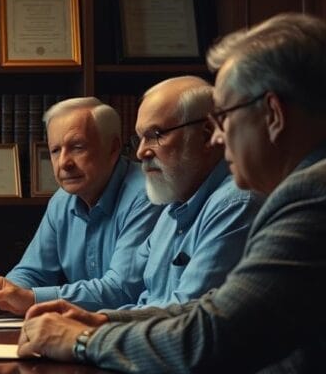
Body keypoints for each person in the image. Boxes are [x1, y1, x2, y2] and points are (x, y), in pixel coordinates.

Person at [18, 13, 326, 374]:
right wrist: (101, 320)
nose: (218, 136)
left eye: (223, 117)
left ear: (272, 113)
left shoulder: (316, 197)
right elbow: (210, 310)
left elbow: (214, 339)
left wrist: (82, 340)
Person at [53, 76, 261, 310]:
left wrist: (89, 328)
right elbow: (141, 301)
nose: (141, 152)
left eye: (155, 135)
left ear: (207, 134)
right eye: (139, 138)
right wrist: (88, 323)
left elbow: (186, 320)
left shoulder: (235, 204)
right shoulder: (171, 211)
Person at [0, 97, 161, 317]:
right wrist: (1, 293)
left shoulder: (147, 195)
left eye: (77, 147)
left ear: (113, 149)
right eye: (55, 150)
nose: (64, 163)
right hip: (82, 329)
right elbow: (33, 271)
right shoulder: (62, 200)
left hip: (131, 333)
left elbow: (121, 290)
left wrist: (31, 299)